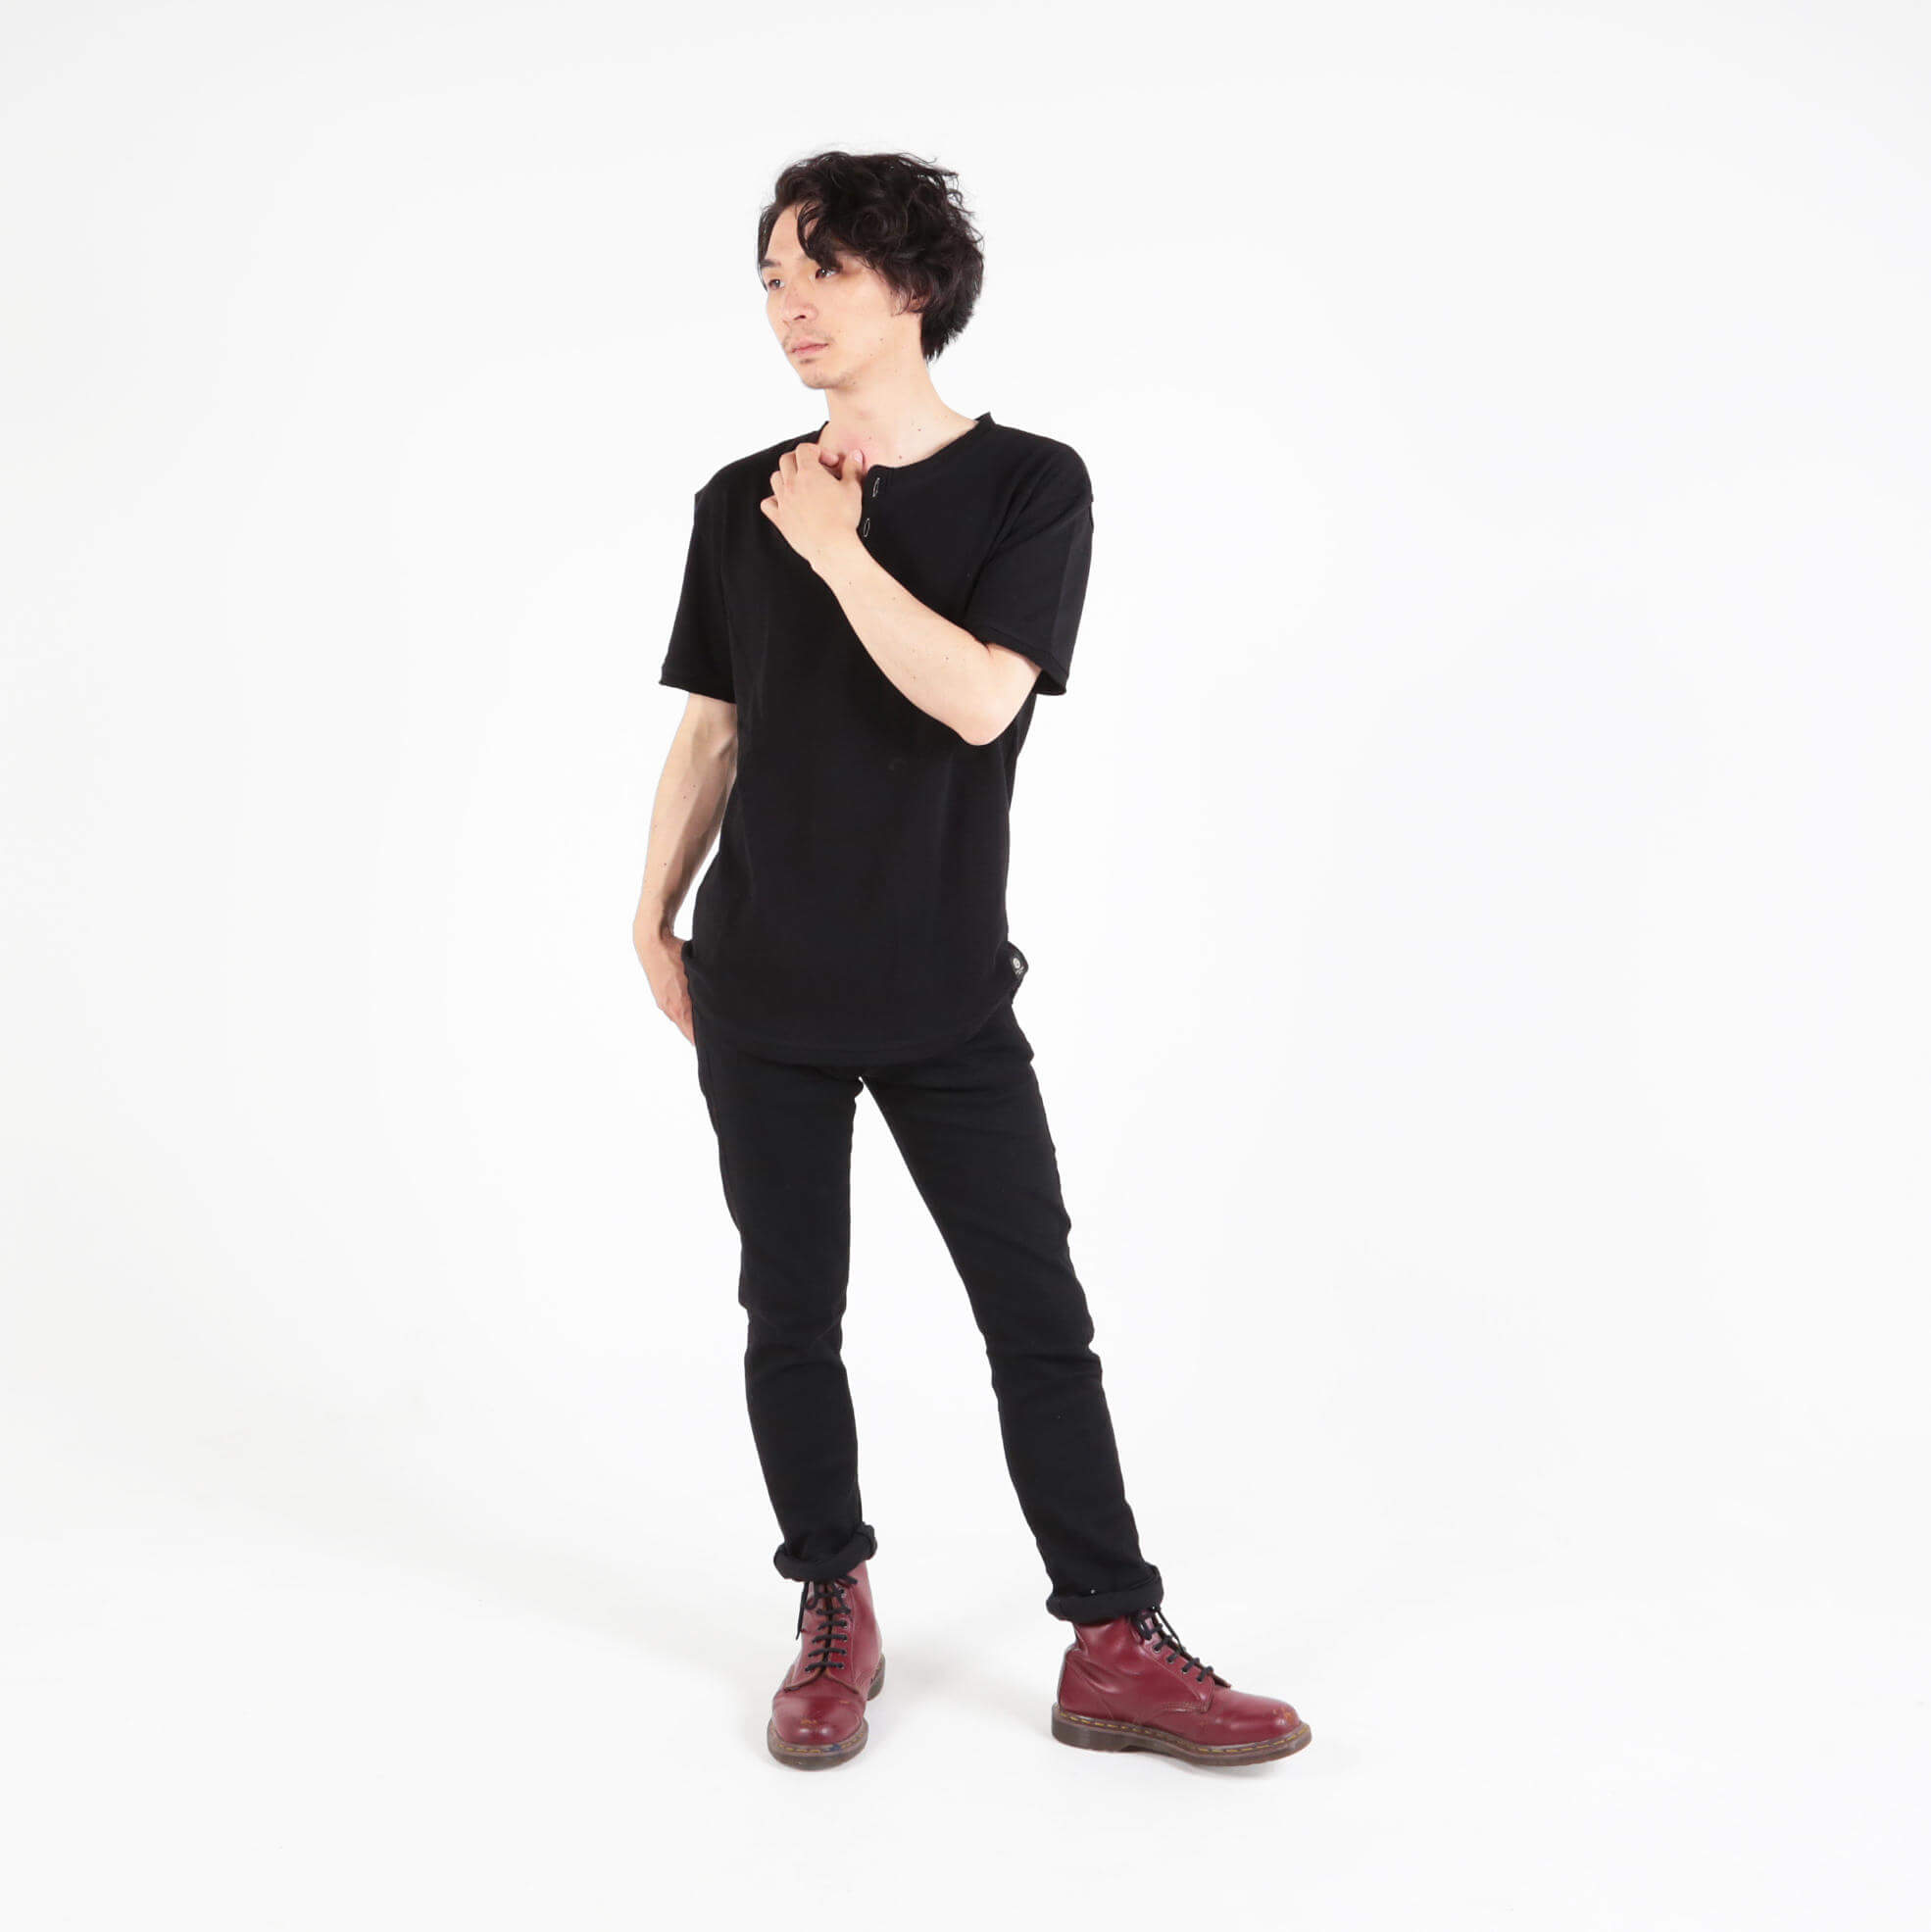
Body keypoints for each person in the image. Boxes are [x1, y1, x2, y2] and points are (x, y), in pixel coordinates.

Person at [632, 149, 1311, 1771]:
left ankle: (1112, 1639)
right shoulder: (738, 499)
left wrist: (839, 547)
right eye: (771, 278)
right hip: (762, 984)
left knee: (1035, 1315)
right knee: (789, 1314)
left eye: (821, 270)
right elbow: (714, 726)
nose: (789, 306)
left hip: (941, 988)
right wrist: (649, 915)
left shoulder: (1028, 485)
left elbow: (980, 700)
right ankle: (831, 1614)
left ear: (913, 285)